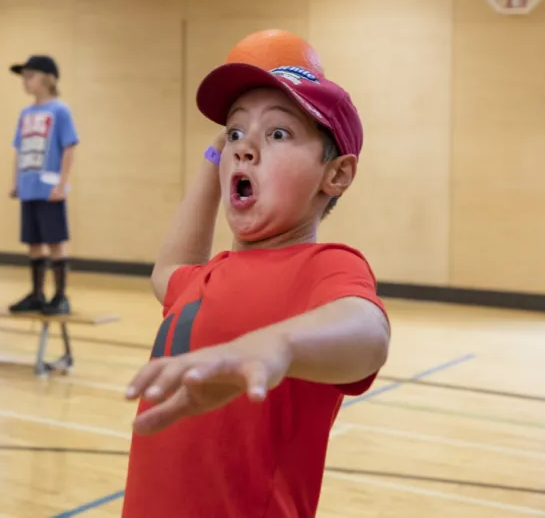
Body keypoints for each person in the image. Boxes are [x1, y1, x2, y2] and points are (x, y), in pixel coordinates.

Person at [121, 64, 391, 517]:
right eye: (235, 132)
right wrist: (214, 159)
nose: (244, 147)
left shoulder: (323, 267)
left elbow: (369, 333)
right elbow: (169, 270)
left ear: (337, 174)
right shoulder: (207, 276)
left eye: (279, 134)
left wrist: (276, 345)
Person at [6, 55, 78, 316]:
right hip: (29, 187)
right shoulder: (25, 113)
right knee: (33, 241)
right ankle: (37, 293)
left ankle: (60, 296)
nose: (26, 82)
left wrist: (62, 183)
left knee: (55, 240)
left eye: (30, 76)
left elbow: (69, 147)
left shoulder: (60, 111)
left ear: (48, 79)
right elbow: (19, 149)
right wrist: (15, 182)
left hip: (49, 189)